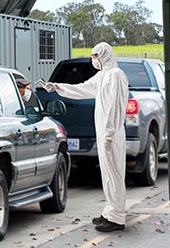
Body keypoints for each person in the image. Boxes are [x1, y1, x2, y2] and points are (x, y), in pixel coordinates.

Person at [42, 42, 128, 232]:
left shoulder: (115, 75)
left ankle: (117, 218)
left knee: (114, 174)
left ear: (104, 56)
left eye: (95, 56)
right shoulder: (103, 76)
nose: (93, 60)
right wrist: (57, 87)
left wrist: (109, 133)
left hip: (111, 134)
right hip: (106, 133)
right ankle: (110, 212)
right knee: (107, 174)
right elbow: (83, 89)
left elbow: (115, 106)